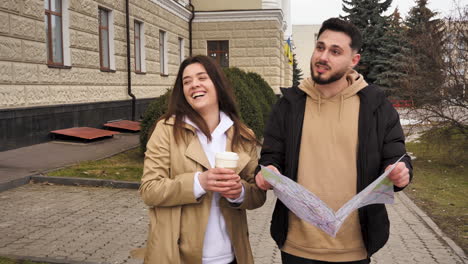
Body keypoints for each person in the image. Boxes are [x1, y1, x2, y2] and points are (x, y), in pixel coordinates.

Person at [255, 18, 413, 264]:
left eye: (335, 51)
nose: (323, 56)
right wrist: (268, 171)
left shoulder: (376, 106)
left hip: (354, 249)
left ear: (354, 61)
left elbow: (397, 157)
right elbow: (270, 157)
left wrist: (402, 172)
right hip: (296, 247)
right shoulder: (289, 104)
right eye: (320, 47)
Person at [139, 55, 266, 264]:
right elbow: (149, 190)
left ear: (217, 83)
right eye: (186, 81)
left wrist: (239, 192)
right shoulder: (166, 130)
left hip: (231, 255)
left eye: (201, 77)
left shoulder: (243, 135)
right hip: (176, 255)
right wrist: (199, 182)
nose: (194, 84)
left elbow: (258, 195)